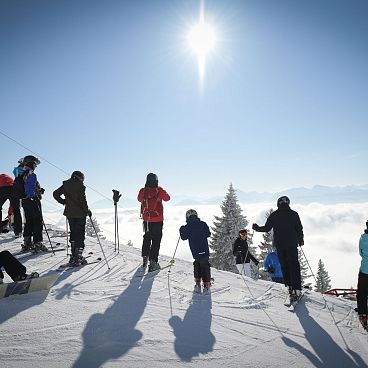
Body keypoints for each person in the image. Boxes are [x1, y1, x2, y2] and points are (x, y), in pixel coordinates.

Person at [252, 196, 304, 302]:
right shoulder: (294, 214)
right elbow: (299, 228)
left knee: (284, 266)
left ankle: (289, 287)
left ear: (278, 204)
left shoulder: (274, 215)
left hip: (280, 245)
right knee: (294, 265)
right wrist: (300, 240)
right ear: (288, 203)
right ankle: (297, 289)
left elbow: (267, 228)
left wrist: (257, 228)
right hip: (292, 244)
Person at [53, 171, 92, 266]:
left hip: (69, 213)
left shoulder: (66, 185)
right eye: (82, 178)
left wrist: (64, 202)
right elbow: (82, 201)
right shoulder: (80, 186)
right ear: (79, 178)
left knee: (73, 232)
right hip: (80, 214)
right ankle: (78, 256)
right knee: (80, 234)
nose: (83, 180)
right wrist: (87, 211)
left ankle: (73, 255)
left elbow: (55, 194)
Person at [137, 173, 170, 272]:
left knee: (147, 237)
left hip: (146, 219)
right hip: (158, 219)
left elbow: (139, 199)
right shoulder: (159, 190)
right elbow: (167, 198)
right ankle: (153, 262)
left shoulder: (143, 191)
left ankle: (145, 258)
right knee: (156, 240)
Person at [179, 209, 212, 294]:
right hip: (204, 248)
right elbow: (208, 234)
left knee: (197, 263)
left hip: (195, 250)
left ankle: (197, 283)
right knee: (205, 265)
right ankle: (206, 285)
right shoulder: (203, 224)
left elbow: (183, 237)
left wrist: (181, 230)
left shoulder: (187, 227)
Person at [20, 155, 47, 252]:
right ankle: (38, 243)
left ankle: (27, 243)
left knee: (29, 221)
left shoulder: (22, 173)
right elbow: (29, 187)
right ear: (32, 164)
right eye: (35, 164)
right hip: (32, 200)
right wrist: (33, 196)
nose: (36, 166)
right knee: (37, 221)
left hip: (24, 201)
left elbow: (28, 186)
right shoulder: (31, 174)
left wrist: (38, 191)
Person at [357, 220, 368, 331]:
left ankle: (363, 314)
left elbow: (360, 252)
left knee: (362, 293)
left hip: (365, 270)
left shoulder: (363, 238)